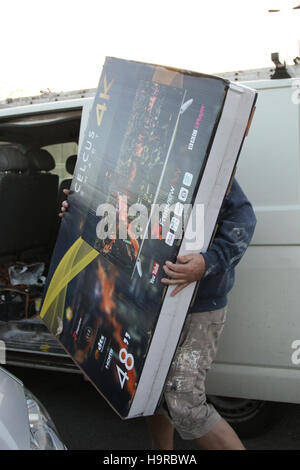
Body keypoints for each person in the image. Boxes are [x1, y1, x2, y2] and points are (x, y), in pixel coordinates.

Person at [60, 178, 256, 450]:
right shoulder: (136, 165)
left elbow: (243, 221)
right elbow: (120, 219)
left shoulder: (210, 158)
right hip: (150, 304)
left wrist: (207, 262)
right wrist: (79, 209)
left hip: (196, 308)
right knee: (151, 395)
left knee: (185, 404)